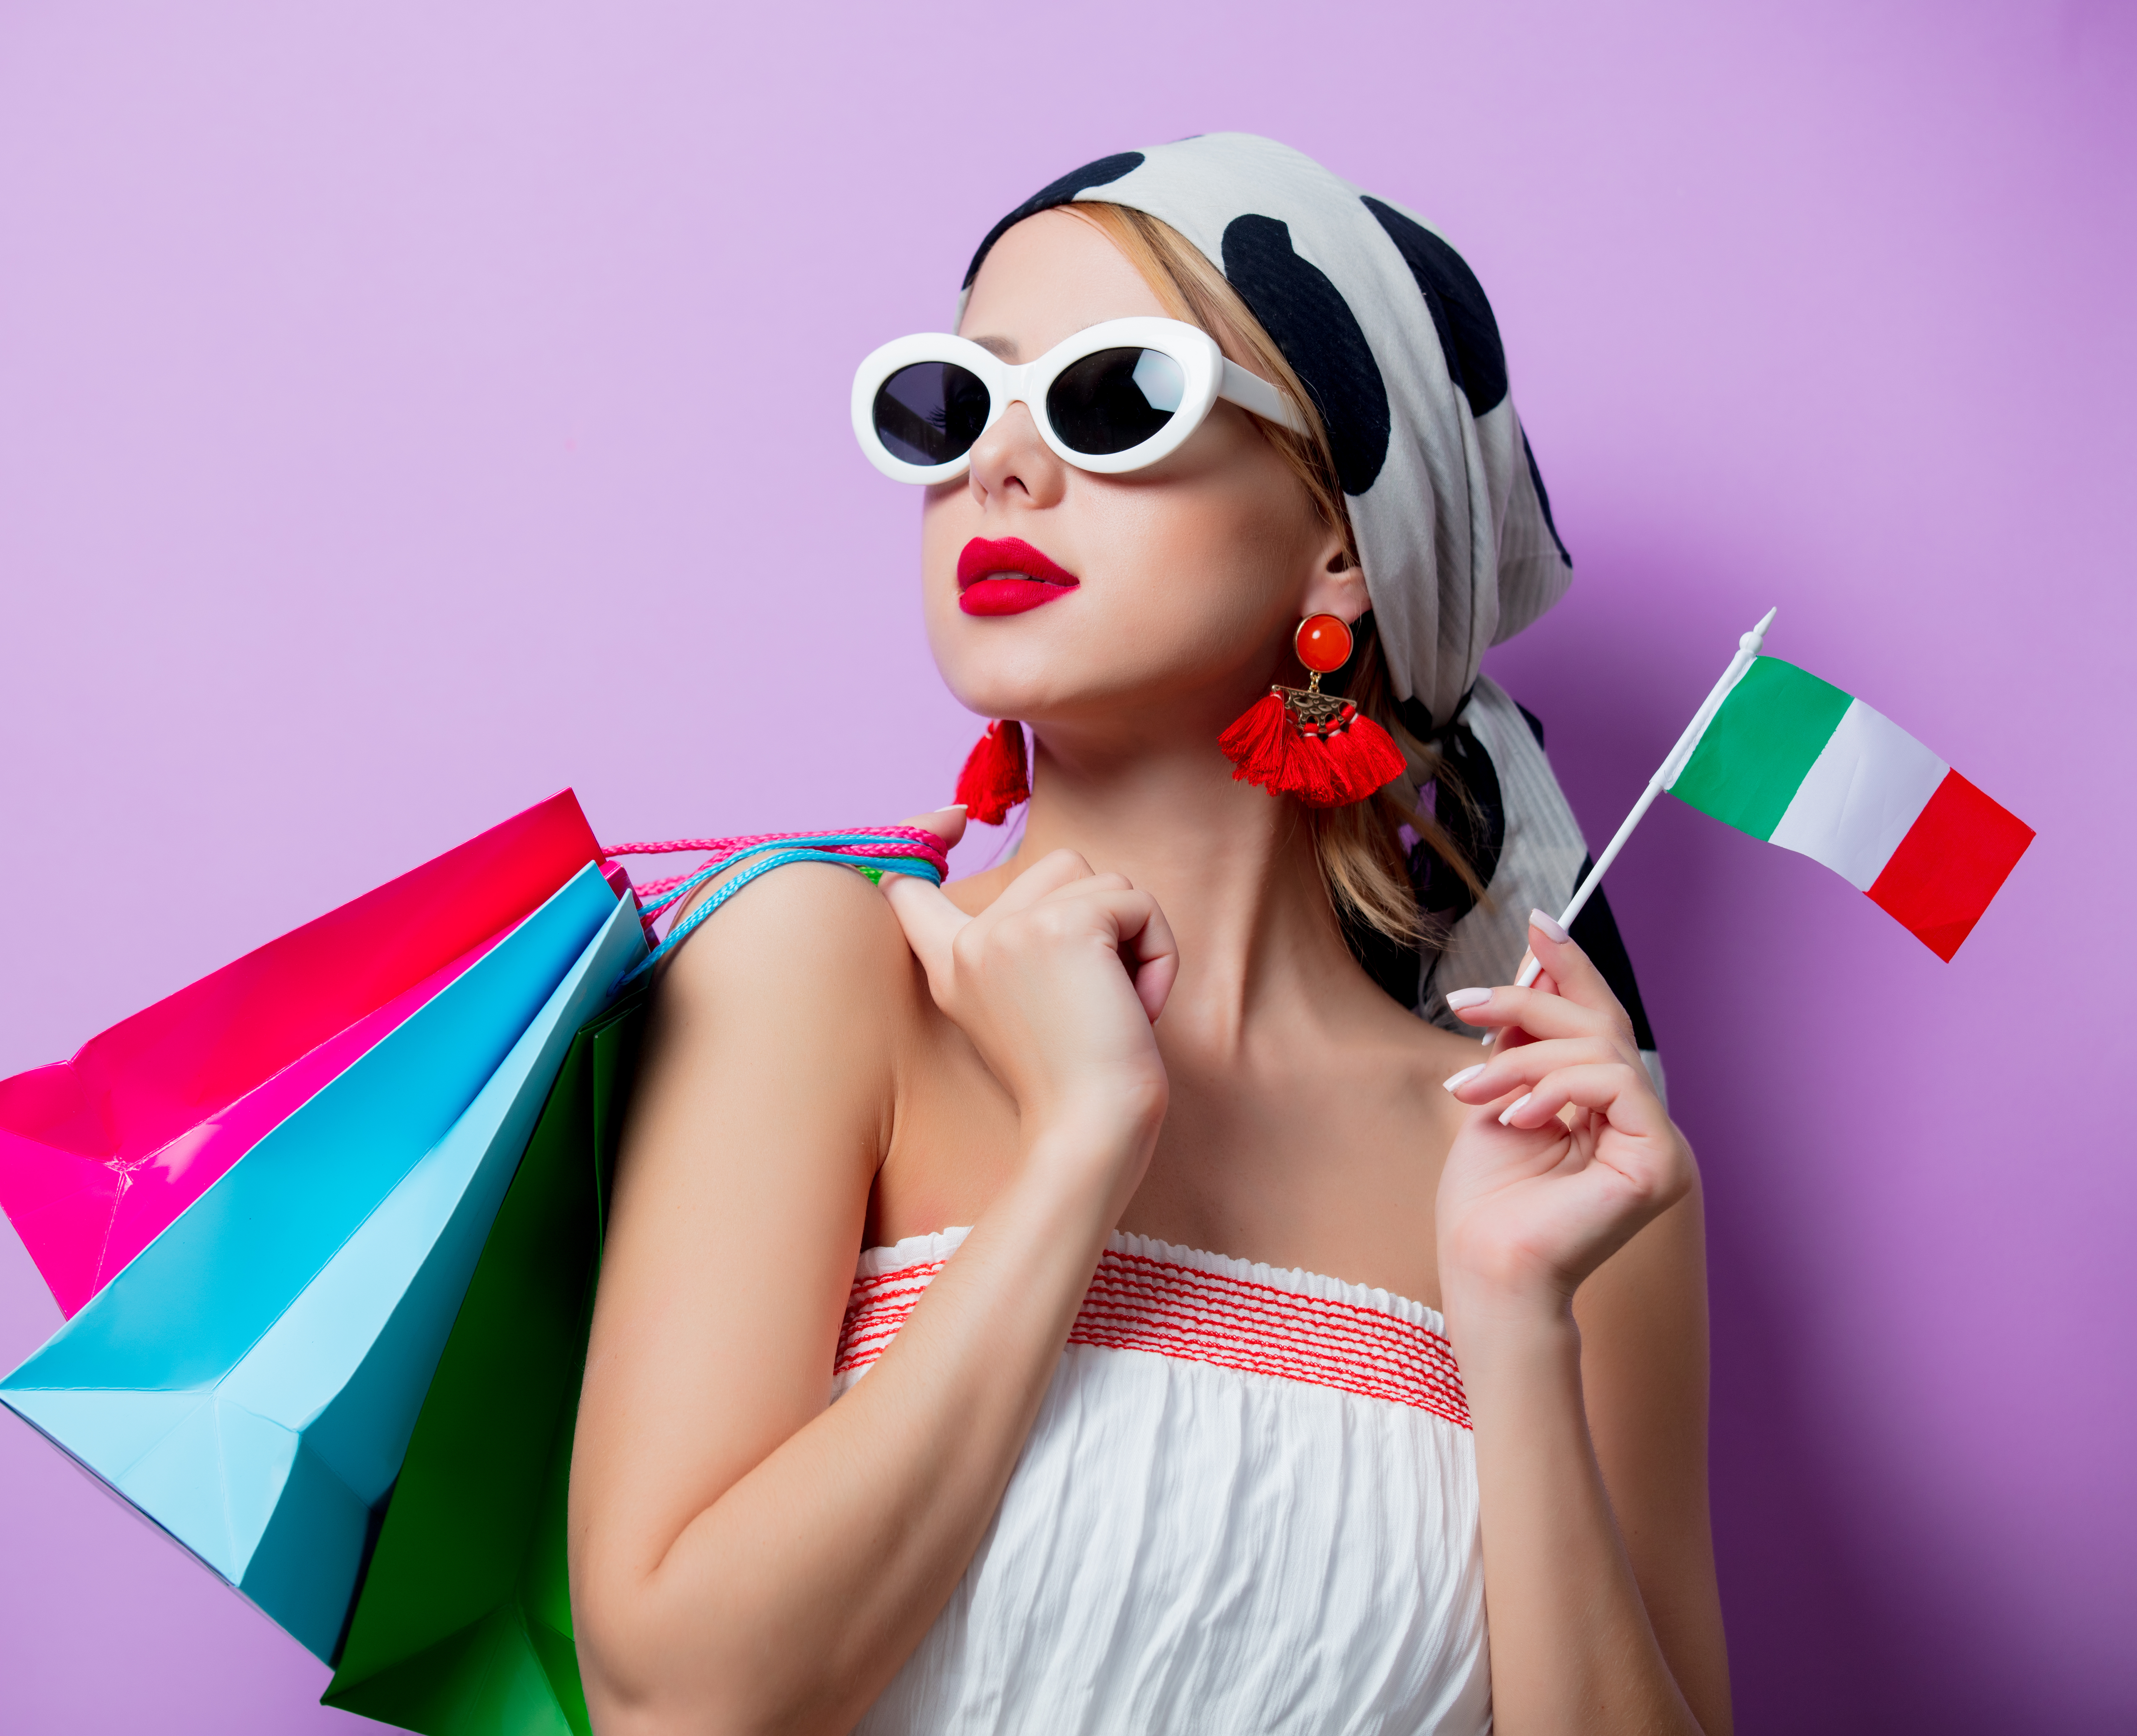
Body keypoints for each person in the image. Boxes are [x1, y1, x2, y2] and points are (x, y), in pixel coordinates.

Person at [567, 133, 1730, 1735]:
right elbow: (677, 1705)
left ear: (1344, 538)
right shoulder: (813, 969)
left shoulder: (1564, 1163)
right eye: (955, 403)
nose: (1002, 470)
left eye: (1119, 399)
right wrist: (1081, 1143)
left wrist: (1513, 1325)